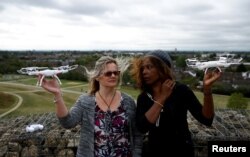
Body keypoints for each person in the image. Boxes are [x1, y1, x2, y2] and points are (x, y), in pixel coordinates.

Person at [38, 56, 142, 157]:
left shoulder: (128, 101)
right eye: (108, 73)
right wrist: (57, 94)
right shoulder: (85, 101)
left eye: (116, 73)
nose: (113, 76)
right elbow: (67, 122)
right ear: (97, 76)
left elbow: (136, 135)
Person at [130, 50, 222, 157]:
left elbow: (206, 119)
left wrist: (207, 89)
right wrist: (161, 98)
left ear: (162, 68)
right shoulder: (144, 97)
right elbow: (142, 127)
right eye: (142, 69)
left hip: (182, 151)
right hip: (154, 152)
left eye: (149, 67)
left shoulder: (181, 91)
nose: (144, 72)